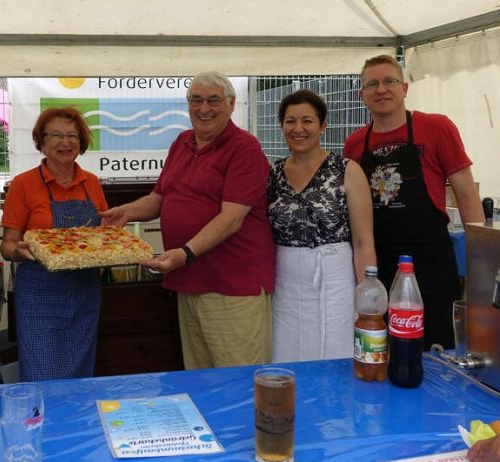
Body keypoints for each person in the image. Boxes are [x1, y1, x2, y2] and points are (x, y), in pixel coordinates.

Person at [101, 71, 275, 370]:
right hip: (189, 282)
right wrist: (127, 212)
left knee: (237, 384)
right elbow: (160, 197)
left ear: (231, 104)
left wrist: (186, 253)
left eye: (212, 100)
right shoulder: (182, 142)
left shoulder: (244, 148)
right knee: (200, 380)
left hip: (231, 286)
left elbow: (231, 219)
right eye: (196, 100)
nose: (203, 108)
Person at [344, 54, 484, 350]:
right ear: (362, 96)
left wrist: (480, 259)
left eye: (389, 81)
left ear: (405, 89)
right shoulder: (354, 144)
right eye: (372, 84)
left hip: (431, 262)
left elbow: (467, 194)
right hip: (378, 263)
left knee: (438, 349)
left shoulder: (437, 127)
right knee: (384, 348)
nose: (381, 89)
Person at [267, 89, 376, 362]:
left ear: (323, 126)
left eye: (307, 120)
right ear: (281, 126)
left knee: (336, 355)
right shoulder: (271, 173)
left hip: (335, 278)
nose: (298, 128)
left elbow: (364, 242)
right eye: (290, 121)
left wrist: (367, 302)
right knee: (285, 355)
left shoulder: (347, 170)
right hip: (285, 281)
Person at [0, 107, 108, 381]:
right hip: (39, 296)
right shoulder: (23, 185)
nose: (65, 142)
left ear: (81, 142)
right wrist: (22, 252)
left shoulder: (91, 183)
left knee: (81, 371)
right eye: (57, 135)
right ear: (42, 141)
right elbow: (8, 245)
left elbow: (103, 237)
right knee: (42, 372)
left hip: (84, 292)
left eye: (72, 135)